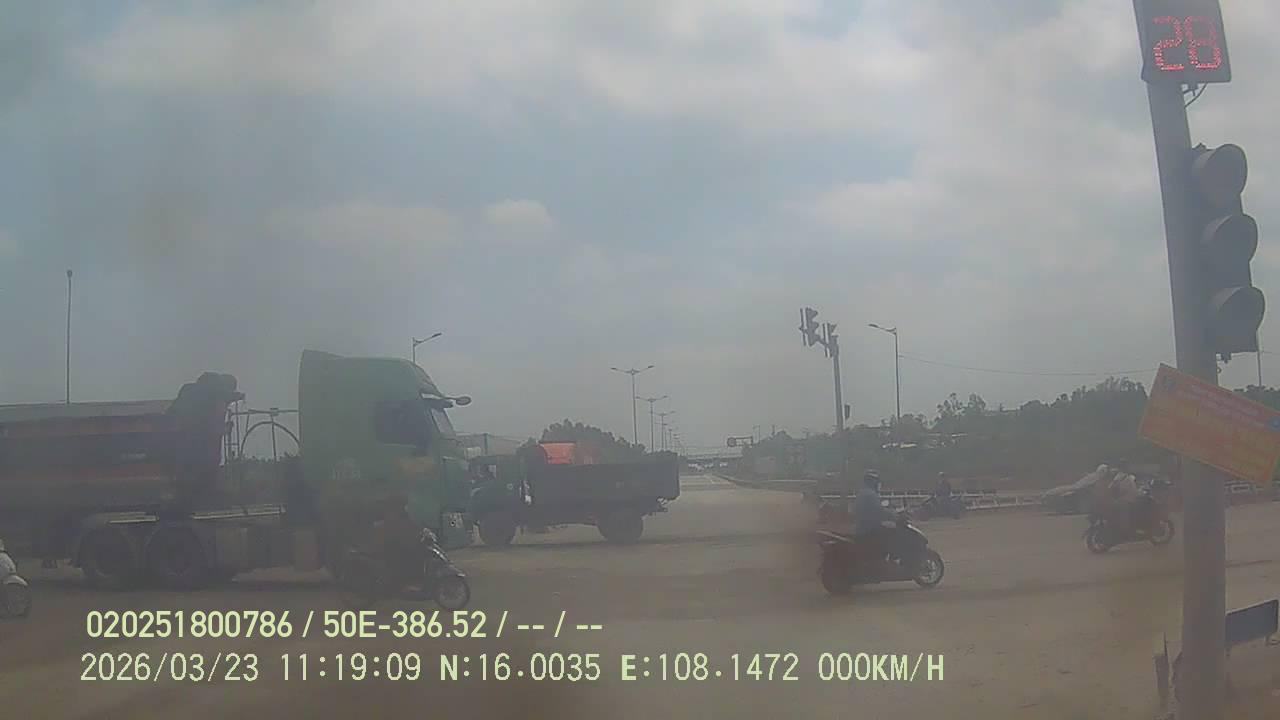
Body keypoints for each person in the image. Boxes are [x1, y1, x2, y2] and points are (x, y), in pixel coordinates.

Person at [853, 470, 899, 568]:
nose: (879, 484)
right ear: (873, 482)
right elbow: (880, 511)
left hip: (862, 527)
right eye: (877, 481)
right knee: (894, 531)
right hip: (869, 529)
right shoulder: (871, 495)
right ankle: (888, 561)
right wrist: (893, 514)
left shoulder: (862, 493)